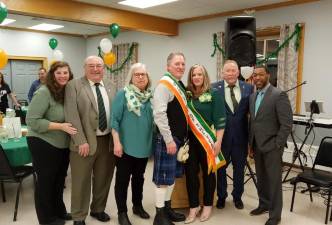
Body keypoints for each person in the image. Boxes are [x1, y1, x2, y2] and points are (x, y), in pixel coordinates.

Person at [64, 56, 116, 225]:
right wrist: (80, 141)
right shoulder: (74, 86)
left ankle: (98, 209)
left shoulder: (111, 86)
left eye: (99, 66)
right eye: (91, 66)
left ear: (104, 68)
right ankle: (78, 216)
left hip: (107, 141)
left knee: (103, 178)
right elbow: (71, 114)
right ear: (84, 68)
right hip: (84, 142)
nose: (96, 69)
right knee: (81, 181)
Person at [26, 61, 77, 225]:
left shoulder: (66, 91)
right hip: (43, 142)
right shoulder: (43, 92)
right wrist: (60, 126)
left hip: (62, 144)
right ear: (52, 75)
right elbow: (32, 121)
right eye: (59, 73)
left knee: (59, 181)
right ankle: (47, 219)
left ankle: (59, 212)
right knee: (46, 183)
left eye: (65, 72)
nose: (63, 76)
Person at [249, 65, 292, 225]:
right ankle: (264, 204)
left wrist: (277, 144)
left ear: (268, 75)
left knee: (274, 181)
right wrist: (250, 144)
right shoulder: (253, 97)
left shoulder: (278, 95)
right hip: (257, 145)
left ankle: (275, 215)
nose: (257, 78)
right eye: (255, 76)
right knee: (261, 179)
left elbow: (287, 124)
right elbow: (252, 122)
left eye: (260, 75)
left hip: (272, 146)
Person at [111, 63, 153, 225]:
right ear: (131, 77)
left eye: (144, 74)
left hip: (143, 146)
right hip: (125, 146)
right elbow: (114, 120)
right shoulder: (124, 94)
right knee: (122, 180)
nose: (141, 77)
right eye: (137, 75)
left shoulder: (150, 95)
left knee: (139, 178)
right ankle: (122, 212)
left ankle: (137, 205)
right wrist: (116, 143)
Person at [184, 64, 226, 223]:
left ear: (204, 76)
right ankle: (193, 207)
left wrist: (219, 142)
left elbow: (221, 120)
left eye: (199, 74)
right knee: (191, 174)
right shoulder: (187, 94)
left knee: (209, 173)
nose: (196, 77)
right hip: (190, 141)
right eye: (194, 74)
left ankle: (208, 205)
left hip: (208, 140)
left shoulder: (214, 94)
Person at [212, 60, 254, 210]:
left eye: (233, 70)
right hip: (221, 137)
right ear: (222, 73)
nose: (230, 73)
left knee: (239, 169)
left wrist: (251, 140)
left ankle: (237, 196)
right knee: (221, 168)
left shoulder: (249, 88)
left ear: (238, 72)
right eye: (227, 70)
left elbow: (252, 113)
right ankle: (221, 196)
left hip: (241, 137)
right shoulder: (213, 88)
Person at [152, 52, 187, 225]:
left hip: (177, 139)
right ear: (168, 66)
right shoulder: (164, 85)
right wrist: (169, 140)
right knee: (163, 179)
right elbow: (159, 115)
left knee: (171, 177)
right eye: (176, 64)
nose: (180, 66)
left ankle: (167, 209)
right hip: (168, 139)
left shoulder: (177, 84)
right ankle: (159, 217)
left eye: (182, 63)